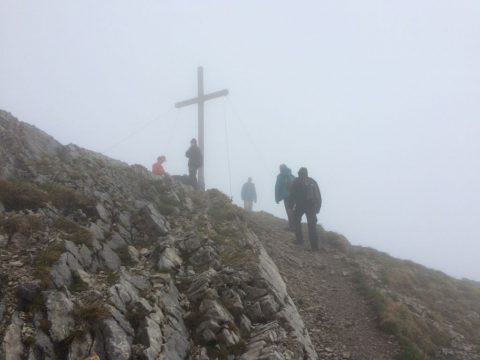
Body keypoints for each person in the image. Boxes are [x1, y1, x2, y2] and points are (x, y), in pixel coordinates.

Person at [290, 167, 322, 251]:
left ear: (300, 173)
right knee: (312, 226)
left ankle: (299, 240)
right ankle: (314, 247)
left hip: (300, 205)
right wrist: (318, 207)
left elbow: (292, 194)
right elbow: (318, 196)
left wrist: (291, 205)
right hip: (311, 206)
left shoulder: (296, 181)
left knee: (296, 221)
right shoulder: (312, 182)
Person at [275, 164, 295, 230]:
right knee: (292, 210)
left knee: (288, 210)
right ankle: (294, 225)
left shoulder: (280, 176)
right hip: (294, 196)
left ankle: (291, 226)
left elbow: (277, 187)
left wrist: (277, 198)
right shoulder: (292, 176)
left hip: (286, 196)